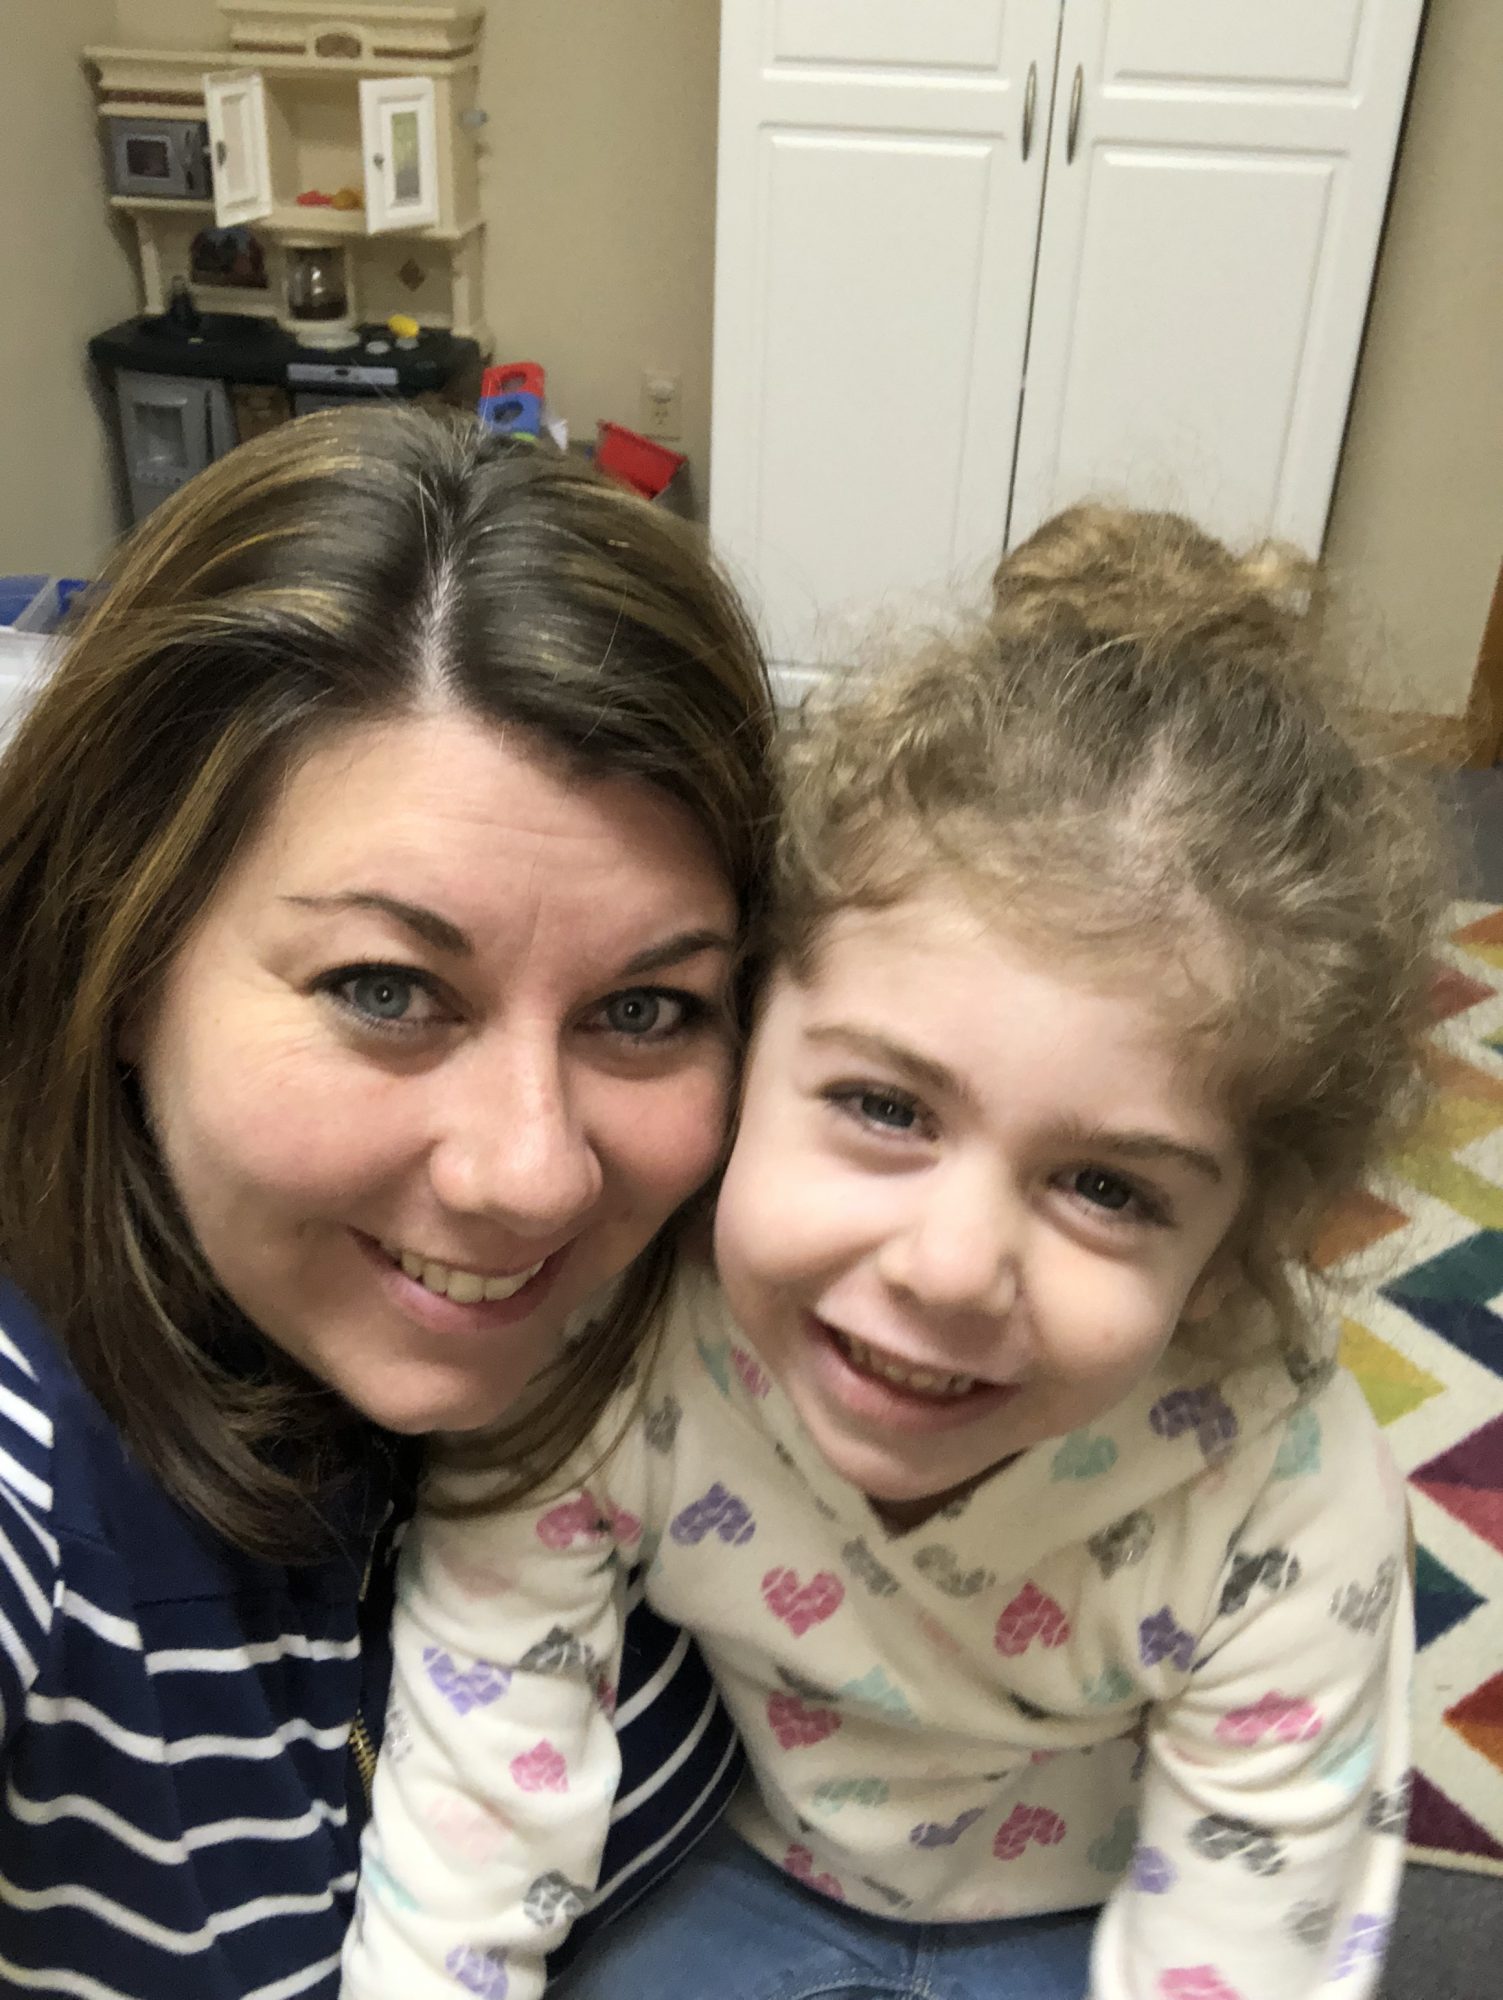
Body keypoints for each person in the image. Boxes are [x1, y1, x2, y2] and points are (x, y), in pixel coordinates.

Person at [345, 505, 1445, 2000]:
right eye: (884, 1107)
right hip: (726, 1865)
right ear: (742, 1038)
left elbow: (1249, 1936)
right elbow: (477, 1783)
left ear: (1242, 1242)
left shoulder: (1285, 1493)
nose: (947, 1268)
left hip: (1089, 1917)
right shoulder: (616, 1337)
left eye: (1107, 1188)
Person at [0, 408, 777, 1998]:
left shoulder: (753, 1288)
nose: (534, 1174)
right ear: (116, 957)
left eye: (645, 1011)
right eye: (385, 988)